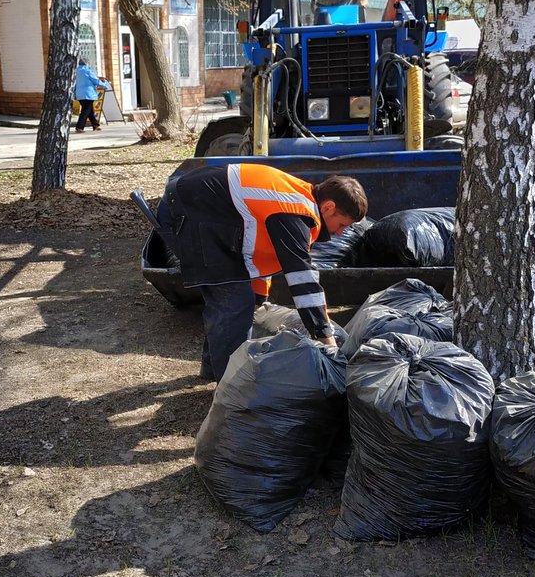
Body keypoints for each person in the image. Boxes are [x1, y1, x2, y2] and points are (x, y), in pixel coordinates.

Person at [156, 164, 368, 381]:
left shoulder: (296, 202)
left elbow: (258, 251)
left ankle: (214, 371)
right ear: (328, 208)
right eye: (342, 224)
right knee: (235, 300)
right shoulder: (293, 211)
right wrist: (326, 338)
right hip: (186, 212)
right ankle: (233, 386)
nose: (340, 233)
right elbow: (303, 280)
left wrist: (259, 297)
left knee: (238, 298)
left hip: (199, 209)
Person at [74, 58, 110, 132]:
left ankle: (95, 125)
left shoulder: (76, 71)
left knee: (90, 110)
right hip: (88, 94)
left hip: (79, 94)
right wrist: (105, 86)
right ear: (86, 64)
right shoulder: (88, 71)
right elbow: (96, 80)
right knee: (86, 110)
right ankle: (79, 127)